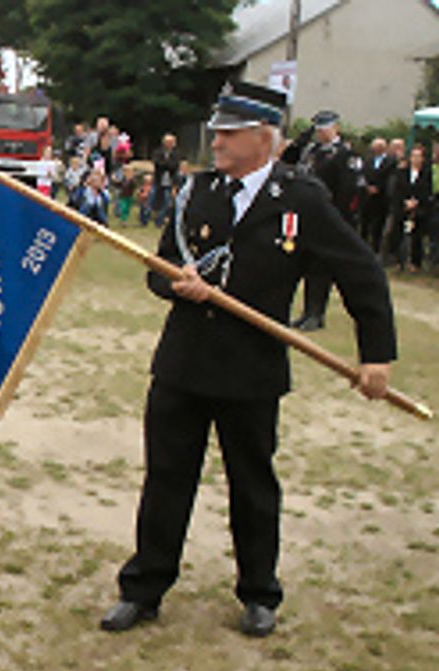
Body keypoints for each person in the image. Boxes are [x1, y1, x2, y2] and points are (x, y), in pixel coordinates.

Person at [99, 82, 396, 639]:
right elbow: (156, 268)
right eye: (216, 132)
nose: (216, 142)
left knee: (253, 486)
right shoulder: (196, 192)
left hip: (251, 371)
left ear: (265, 140)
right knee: (166, 481)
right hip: (183, 365)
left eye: (228, 134)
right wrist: (176, 285)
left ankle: (259, 594)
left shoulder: (301, 200)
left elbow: (362, 274)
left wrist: (376, 355)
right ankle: (143, 588)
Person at [289, 110, 364, 331]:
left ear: (335, 128)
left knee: (322, 267)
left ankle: (316, 313)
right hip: (307, 216)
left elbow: (348, 189)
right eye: (318, 129)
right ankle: (307, 312)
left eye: (324, 128)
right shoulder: (311, 151)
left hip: (330, 216)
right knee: (308, 264)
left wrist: (336, 216)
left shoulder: (344, 154)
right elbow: (292, 162)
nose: (320, 133)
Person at [393, 145, 432, 272]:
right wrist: (405, 202)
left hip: (419, 209)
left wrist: (417, 202)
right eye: (413, 156)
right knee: (398, 234)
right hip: (403, 208)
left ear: (422, 159)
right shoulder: (402, 172)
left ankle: (415, 263)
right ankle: (399, 261)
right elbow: (397, 190)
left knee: (417, 237)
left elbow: (427, 191)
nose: (415, 159)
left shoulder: (426, 174)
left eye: (418, 156)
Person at [360, 137, 395, 256]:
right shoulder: (367, 160)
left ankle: (376, 250)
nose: (376, 149)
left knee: (378, 225)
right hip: (366, 197)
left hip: (381, 198)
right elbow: (363, 174)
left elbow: (390, 178)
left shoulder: (391, 161)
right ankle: (362, 248)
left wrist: (378, 188)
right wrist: (366, 187)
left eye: (379, 147)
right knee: (364, 223)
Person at [149, 133, 181, 227]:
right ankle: (148, 217)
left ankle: (159, 221)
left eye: (171, 142)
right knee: (152, 199)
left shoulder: (176, 153)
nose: (169, 144)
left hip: (170, 182)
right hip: (159, 181)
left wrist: (165, 164)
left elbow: (174, 165)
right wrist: (167, 164)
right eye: (167, 142)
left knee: (167, 202)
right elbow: (157, 164)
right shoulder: (158, 152)